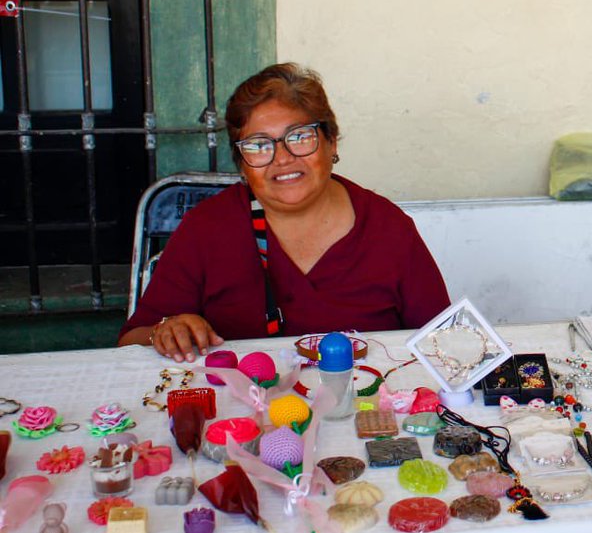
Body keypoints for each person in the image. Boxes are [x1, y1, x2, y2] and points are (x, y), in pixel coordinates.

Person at [118, 63, 450, 361]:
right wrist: (166, 330)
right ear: (243, 166)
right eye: (259, 145)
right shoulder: (207, 228)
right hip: (241, 420)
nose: (282, 158)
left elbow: (442, 343)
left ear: (332, 142)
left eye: (299, 137)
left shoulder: (388, 229)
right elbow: (131, 340)